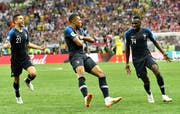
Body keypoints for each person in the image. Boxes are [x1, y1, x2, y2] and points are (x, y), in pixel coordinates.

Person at [64, 13, 122, 108]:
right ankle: (86, 97)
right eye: (79, 20)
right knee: (81, 74)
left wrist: (82, 37)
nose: (81, 21)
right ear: (73, 21)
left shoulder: (80, 30)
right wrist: (81, 40)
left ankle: (107, 100)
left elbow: (91, 40)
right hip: (75, 56)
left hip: (83, 55)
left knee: (101, 74)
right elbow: (78, 43)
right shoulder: (68, 30)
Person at [124, 15, 172, 103]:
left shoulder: (146, 31)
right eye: (132, 23)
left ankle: (164, 95)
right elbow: (127, 48)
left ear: (140, 23)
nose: (134, 25)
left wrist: (164, 53)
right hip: (137, 60)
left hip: (146, 56)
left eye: (136, 23)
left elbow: (155, 42)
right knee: (146, 80)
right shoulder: (128, 34)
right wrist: (127, 63)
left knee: (156, 71)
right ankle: (149, 94)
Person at [3, 14, 45, 104]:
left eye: (23, 19)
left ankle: (27, 80)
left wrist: (39, 47)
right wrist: (6, 46)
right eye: (20, 19)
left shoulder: (25, 31)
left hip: (25, 57)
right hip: (15, 60)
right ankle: (17, 95)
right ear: (15, 21)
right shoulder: (12, 32)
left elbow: (28, 43)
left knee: (33, 73)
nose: (23, 20)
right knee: (16, 80)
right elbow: (6, 43)